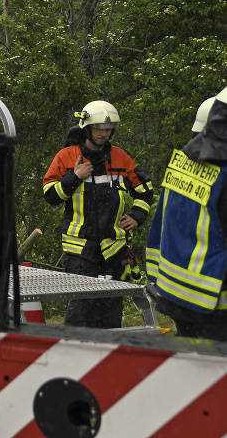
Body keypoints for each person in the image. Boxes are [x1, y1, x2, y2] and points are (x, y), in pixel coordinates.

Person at [43, 100, 155, 328]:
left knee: (111, 308)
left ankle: (108, 358)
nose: (104, 134)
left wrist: (136, 216)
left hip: (113, 249)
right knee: (81, 309)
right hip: (79, 251)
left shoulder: (120, 158)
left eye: (108, 129)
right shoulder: (66, 157)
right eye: (99, 129)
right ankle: (74, 356)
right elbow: (50, 196)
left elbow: (146, 192)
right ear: (86, 128)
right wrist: (74, 177)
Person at [147, 88, 227, 339]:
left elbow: (161, 222)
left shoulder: (182, 160)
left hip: (177, 293)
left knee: (192, 370)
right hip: (214, 303)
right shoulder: (223, 174)